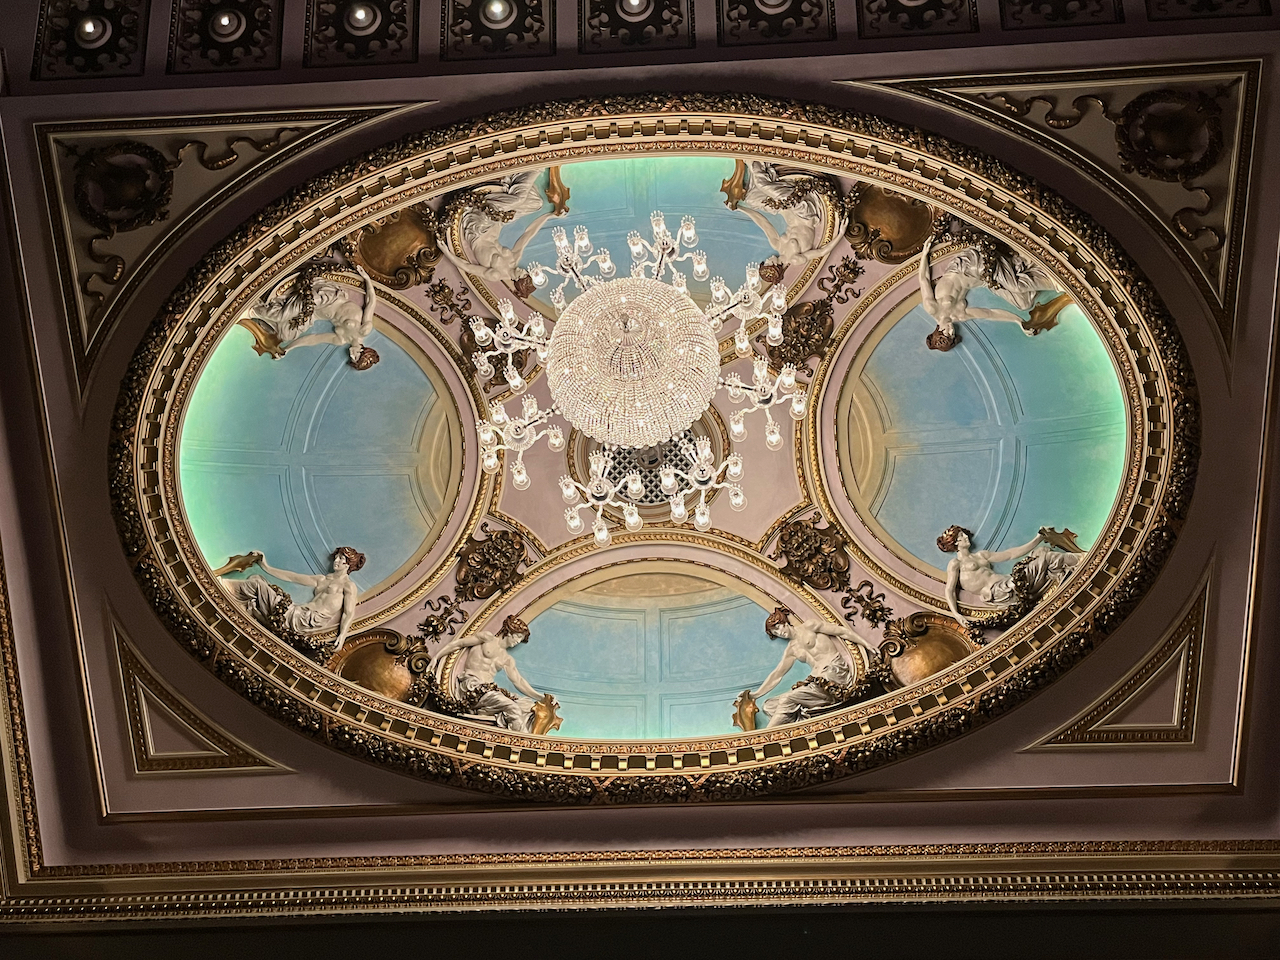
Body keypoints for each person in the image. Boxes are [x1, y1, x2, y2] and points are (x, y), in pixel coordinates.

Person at [918, 236, 1059, 351]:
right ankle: (1033, 269)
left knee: (1016, 286)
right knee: (1024, 303)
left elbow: (923, 279)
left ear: (938, 330)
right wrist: (1018, 321)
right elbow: (990, 313)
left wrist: (924, 255)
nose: (951, 331)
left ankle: (1055, 282)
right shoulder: (959, 315)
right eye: (952, 336)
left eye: (947, 333)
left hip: (970, 265)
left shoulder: (932, 308)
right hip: (985, 280)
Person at [750, 607, 881, 729]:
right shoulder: (792, 649)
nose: (780, 633)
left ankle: (766, 737)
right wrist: (756, 694)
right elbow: (777, 674)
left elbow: (841, 631)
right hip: (816, 680)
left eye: (778, 627)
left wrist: (866, 644)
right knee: (769, 705)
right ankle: (803, 723)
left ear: (783, 621)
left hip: (834, 673)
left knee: (787, 700)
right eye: (775, 633)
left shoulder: (809, 626)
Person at [222, 547, 364, 653]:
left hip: (306, 620)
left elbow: (348, 613)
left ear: (348, 565)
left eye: (341, 559)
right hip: (298, 611)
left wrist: (343, 635)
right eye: (336, 557)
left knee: (258, 585)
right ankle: (234, 597)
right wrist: (265, 566)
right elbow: (292, 577)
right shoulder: (322, 579)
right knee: (258, 580)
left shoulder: (348, 586)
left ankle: (224, 586)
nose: (336, 561)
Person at [437, 170, 562, 287]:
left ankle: (534, 169)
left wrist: (446, 251)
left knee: (519, 199)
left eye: (523, 274)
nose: (523, 271)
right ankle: (523, 173)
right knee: (536, 204)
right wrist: (548, 216)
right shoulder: (514, 259)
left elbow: (467, 266)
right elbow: (528, 234)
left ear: (517, 279)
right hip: (497, 222)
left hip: (478, 228)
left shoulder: (495, 274)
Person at [242, 263, 380, 368]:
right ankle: (252, 310)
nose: (351, 354)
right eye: (355, 355)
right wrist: (367, 279)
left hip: (314, 313)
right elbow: (371, 302)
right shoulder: (364, 329)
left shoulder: (341, 339)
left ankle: (260, 312)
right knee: (282, 315)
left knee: (287, 335)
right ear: (363, 350)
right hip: (328, 297)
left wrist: (288, 348)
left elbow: (313, 339)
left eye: (352, 358)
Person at [938, 525, 1081, 625]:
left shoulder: (981, 555)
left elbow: (1010, 554)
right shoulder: (955, 563)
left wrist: (1037, 539)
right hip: (999, 592)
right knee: (1046, 559)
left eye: (963, 533)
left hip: (1009, 582)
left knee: (1044, 553)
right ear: (955, 542)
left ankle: (1081, 560)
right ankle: (1082, 558)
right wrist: (956, 615)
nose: (965, 536)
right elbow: (949, 590)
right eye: (961, 536)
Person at [428, 616, 545, 732]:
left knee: (526, 705)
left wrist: (540, 697)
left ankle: (487, 712)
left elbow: (518, 681)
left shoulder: (507, 659)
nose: (518, 641)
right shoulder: (487, 638)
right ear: (510, 631)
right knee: (512, 708)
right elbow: (459, 644)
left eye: (521, 639)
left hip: (488, 690)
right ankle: (521, 741)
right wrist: (436, 657)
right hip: (472, 685)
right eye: (518, 636)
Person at [736, 161, 847, 268]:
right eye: (767, 263)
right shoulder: (795, 259)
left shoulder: (777, 245)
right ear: (773, 266)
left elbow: (763, 223)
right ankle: (755, 161)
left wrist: (741, 209)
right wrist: (841, 233)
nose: (767, 260)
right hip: (803, 213)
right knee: (762, 185)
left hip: (785, 209)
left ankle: (754, 162)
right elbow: (821, 251)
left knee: (752, 198)